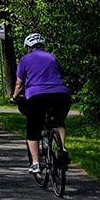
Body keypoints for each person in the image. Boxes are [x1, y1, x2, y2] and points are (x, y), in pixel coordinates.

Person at [12, 32, 71, 174]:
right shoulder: (52, 57)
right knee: (58, 122)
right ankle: (62, 148)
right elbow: (60, 75)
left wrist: (14, 97)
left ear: (28, 47)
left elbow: (19, 84)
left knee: (32, 128)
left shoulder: (25, 59)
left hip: (37, 96)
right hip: (61, 95)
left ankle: (36, 163)